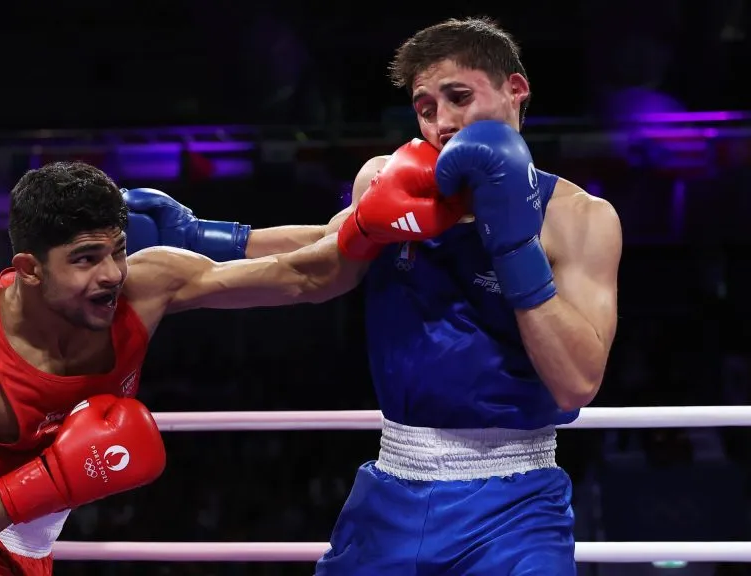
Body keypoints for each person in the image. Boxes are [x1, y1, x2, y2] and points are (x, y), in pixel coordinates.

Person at [126, 17, 622, 575]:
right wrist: (199, 242)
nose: (443, 123)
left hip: (516, 504)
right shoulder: (391, 183)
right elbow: (322, 257)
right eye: (426, 107)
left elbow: (576, 382)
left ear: (515, 90)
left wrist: (512, 243)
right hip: (392, 493)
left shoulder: (581, 219)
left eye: (459, 97)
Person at [0, 159, 450, 574]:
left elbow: (307, 275)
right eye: (86, 259)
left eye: (117, 250)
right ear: (30, 268)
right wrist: (56, 478)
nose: (112, 274)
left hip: (28, 550)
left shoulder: (147, 285)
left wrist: (375, 216)